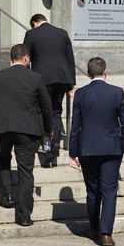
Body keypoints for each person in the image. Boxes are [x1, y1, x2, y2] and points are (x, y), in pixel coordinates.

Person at [0, 44, 53, 226]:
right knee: (26, 172)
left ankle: (8, 195)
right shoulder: (35, 78)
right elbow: (46, 106)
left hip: (3, 128)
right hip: (28, 130)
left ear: (11, 58)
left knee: (4, 159)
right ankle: (25, 216)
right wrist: (48, 128)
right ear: (26, 57)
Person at [69, 57, 124, 246]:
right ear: (105, 72)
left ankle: (94, 228)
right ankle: (105, 234)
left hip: (88, 148)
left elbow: (76, 126)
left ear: (88, 74)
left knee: (92, 191)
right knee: (109, 191)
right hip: (111, 149)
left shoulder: (80, 94)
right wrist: (122, 145)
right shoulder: (117, 92)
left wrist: (73, 152)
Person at [23, 13, 75, 167]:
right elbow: (70, 58)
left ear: (34, 23)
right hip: (62, 78)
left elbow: (25, 57)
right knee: (56, 111)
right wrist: (71, 83)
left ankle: (46, 143)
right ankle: (55, 144)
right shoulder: (62, 33)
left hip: (42, 78)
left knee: (41, 110)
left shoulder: (31, 34)